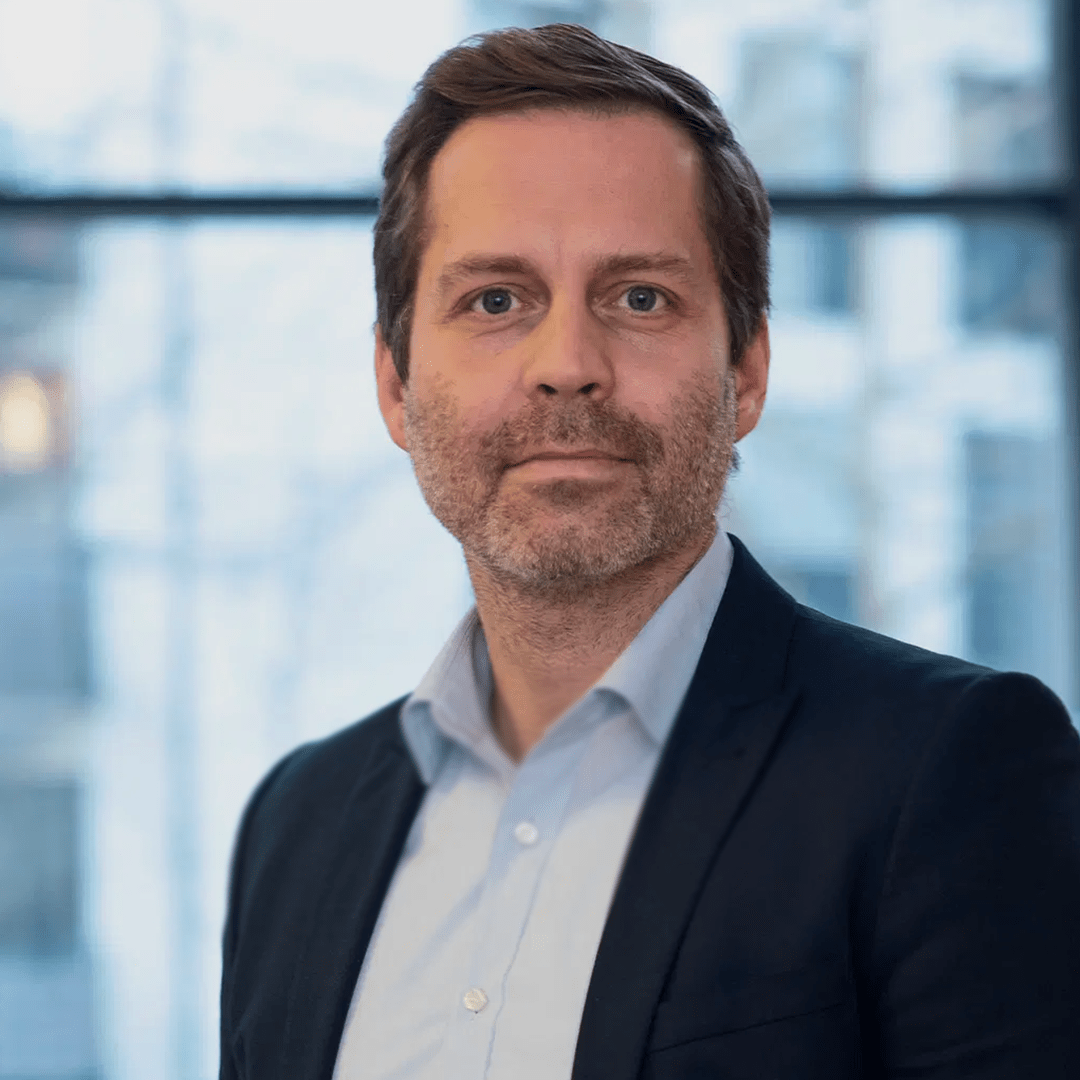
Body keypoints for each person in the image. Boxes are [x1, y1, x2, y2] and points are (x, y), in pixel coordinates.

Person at [218, 22, 1080, 1080]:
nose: (567, 364)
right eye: (496, 300)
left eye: (640, 298)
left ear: (745, 374)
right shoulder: (295, 825)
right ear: (396, 387)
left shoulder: (951, 769)